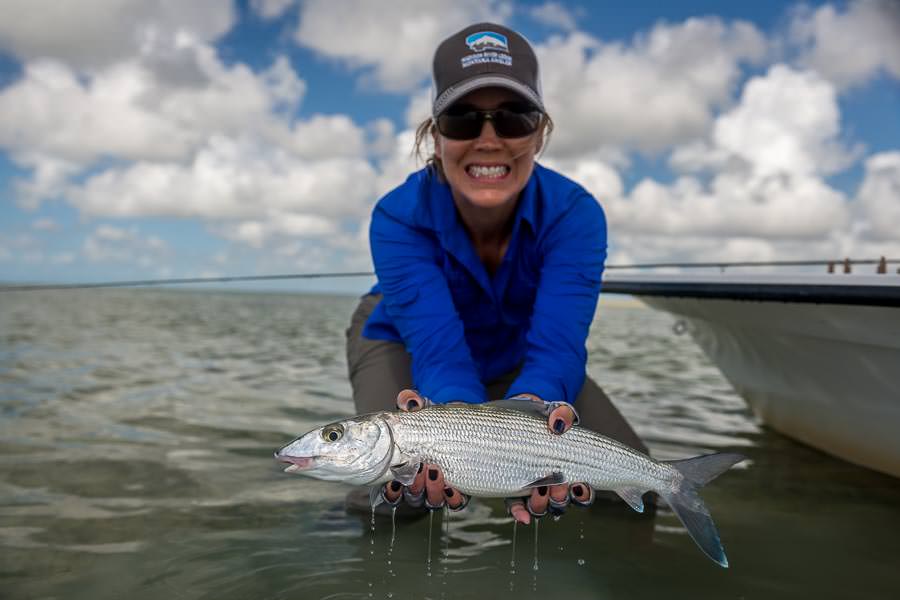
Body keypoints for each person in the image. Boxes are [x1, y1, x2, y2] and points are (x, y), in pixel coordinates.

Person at [345, 22, 646, 524]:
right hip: (400, 338)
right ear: (435, 133)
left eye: (514, 117)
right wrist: (472, 448)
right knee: (396, 498)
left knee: (630, 491)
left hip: (517, 346)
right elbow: (437, 351)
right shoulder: (397, 216)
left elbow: (557, 347)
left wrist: (528, 422)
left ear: (540, 131)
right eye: (463, 119)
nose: (488, 140)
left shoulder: (576, 214)